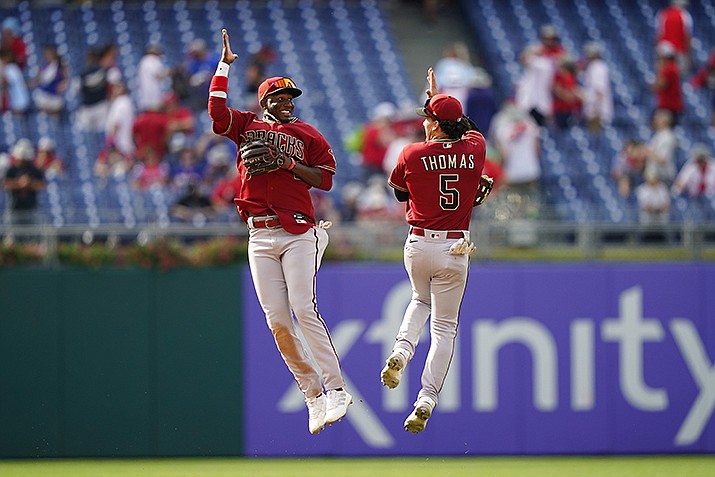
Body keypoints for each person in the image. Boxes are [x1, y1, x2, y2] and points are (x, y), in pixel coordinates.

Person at [207, 29, 351, 435]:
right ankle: (312, 395)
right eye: (280, 98)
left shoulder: (307, 135)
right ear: (264, 101)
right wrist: (223, 68)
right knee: (277, 321)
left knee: (304, 308)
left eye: (291, 98)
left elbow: (325, 179)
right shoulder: (247, 124)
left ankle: (337, 388)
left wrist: (287, 165)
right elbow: (216, 113)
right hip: (259, 235)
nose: (287, 103)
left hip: (298, 231)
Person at [383, 67, 488, 434]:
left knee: (418, 300)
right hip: (455, 246)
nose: (424, 122)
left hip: (418, 241)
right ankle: (426, 399)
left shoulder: (410, 153)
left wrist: (434, 102)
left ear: (435, 123)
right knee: (444, 329)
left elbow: (398, 192)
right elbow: (469, 128)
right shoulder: (476, 148)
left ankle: (401, 351)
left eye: (428, 117)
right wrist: (441, 105)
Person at [3, 138, 46, 226]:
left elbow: (42, 184)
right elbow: (5, 184)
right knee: (12, 233)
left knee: (32, 234)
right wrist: (19, 183)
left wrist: (29, 183)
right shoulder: (12, 170)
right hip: (15, 207)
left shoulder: (35, 170)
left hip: (31, 207)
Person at [581, 42, 613, 133]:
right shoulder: (597, 67)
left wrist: (596, 110)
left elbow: (599, 90)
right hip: (596, 110)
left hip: (597, 112)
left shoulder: (597, 67)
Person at [30, 44, 70, 117]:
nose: (48, 55)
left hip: (55, 95)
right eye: (46, 54)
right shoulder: (43, 64)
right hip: (44, 93)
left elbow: (66, 78)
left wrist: (63, 85)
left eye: (49, 53)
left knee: (55, 115)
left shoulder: (61, 64)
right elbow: (39, 78)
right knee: (44, 116)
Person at [655, 0, 692, 74]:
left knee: (663, 74)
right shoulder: (685, 15)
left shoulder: (662, 14)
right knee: (677, 75)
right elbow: (687, 36)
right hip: (678, 50)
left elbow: (659, 34)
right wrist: (688, 55)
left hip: (664, 48)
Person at [652, 41, 683, 125]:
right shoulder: (673, 67)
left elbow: (661, 84)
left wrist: (652, 86)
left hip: (668, 106)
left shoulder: (668, 68)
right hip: (670, 105)